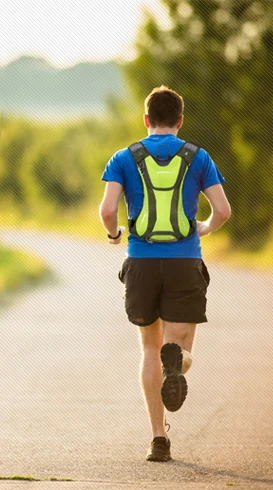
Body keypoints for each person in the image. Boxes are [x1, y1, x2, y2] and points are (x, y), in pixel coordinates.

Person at [99, 86, 231, 462]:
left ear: (145, 120)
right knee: (180, 347)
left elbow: (108, 209)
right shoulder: (197, 156)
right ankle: (180, 363)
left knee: (148, 348)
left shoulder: (124, 157)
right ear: (180, 120)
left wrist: (114, 235)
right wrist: (203, 227)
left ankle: (159, 439)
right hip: (183, 261)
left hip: (141, 261)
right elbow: (222, 211)